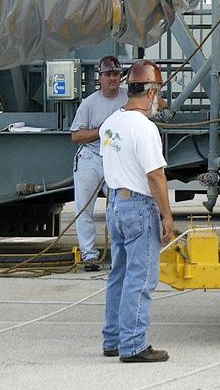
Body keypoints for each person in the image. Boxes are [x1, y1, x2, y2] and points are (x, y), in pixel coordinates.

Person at [100, 59, 176, 363]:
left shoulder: (110, 124)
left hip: (115, 204)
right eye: (158, 92)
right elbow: (155, 175)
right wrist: (166, 215)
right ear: (151, 91)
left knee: (118, 275)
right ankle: (133, 344)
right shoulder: (144, 128)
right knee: (140, 278)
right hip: (138, 206)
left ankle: (113, 339)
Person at [68, 56, 127, 270]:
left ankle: (120, 255)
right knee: (84, 209)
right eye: (108, 74)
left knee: (118, 209)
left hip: (117, 158)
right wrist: (100, 131)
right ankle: (89, 255)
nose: (113, 78)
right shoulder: (89, 103)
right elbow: (76, 135)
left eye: (116, 74)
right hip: (90, 158)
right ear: (100, 77)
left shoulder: (128, 98)